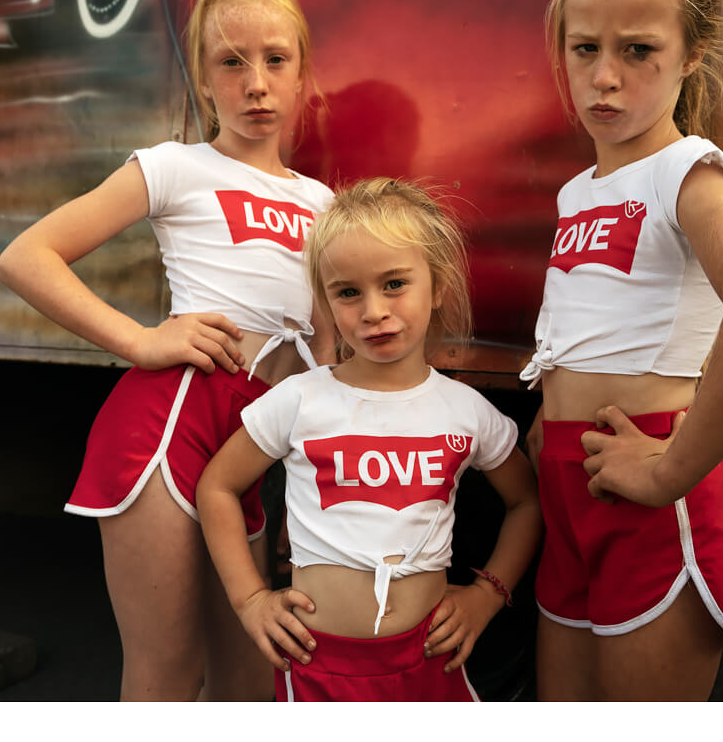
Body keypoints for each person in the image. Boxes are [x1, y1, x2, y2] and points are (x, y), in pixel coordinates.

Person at [0, 0, 336, 701]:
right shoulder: (176, 166)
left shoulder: (324, 202)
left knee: (251, 682)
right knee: (167, 678)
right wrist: (141, 341)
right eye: (231, 62)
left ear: (304, 73)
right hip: (166, 431)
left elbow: (328, 352)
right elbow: (26, 256)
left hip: (251, 447)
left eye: (276, 60)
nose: (256, 82)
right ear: (203, 80)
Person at [521, 0, 723, 701]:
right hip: (571, 485)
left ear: (692, 53)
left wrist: (670, 473)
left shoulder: (686, 172)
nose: (605, 77)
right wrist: (542, 423)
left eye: (638, 50)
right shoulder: (577, 190)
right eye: (585, 48)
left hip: (649, 491)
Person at [198, 178, 542, 702]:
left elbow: (526, 501)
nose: (374, 310)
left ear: (439, 286)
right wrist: (250, 601)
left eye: (395, 284)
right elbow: (217, 486)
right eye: (349, 292)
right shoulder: (299, 399)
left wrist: (486, 597)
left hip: (431, 666)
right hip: (318, 669)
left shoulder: (466, 410)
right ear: (327, 301)